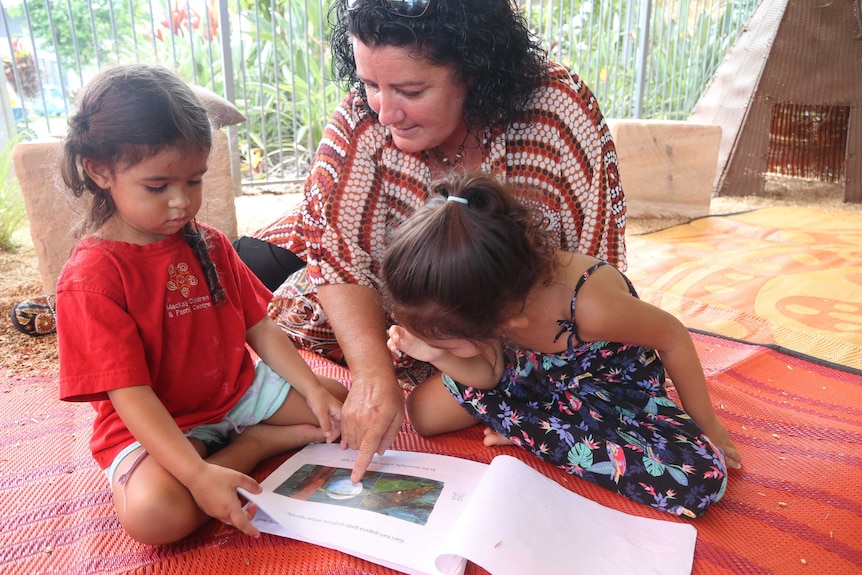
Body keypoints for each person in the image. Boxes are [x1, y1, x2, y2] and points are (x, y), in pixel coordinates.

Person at [243, 0, 628, 483]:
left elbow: (594, 275)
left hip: (486, 328)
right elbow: (336, 254)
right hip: (332, 262)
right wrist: (371, 370)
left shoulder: (558, 114)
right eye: (369, 84)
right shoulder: (362, 119)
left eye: (410, 89)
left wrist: (541, 401)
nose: (385, 111)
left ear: (474, 71)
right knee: (251, 281)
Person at [54, 63, 348, 545]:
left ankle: (244, 440)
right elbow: (130, 395)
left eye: (195, 181)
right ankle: (254, 447)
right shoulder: (92, 278)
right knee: (155, 517)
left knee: (337, 403)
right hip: (160, 426)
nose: (182, 202)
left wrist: (312, 392)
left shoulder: (208, 243)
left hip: (236, 396)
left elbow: (261, 329)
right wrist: (194, 475)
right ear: (99, 170)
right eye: (158, 186)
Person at [382, 172, 741, 518]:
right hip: (532, 375)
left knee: (699, 482)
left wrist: (707, 421)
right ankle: (543, 426)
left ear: (504, 325)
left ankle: (536, 427)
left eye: (449, 344)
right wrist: (435, 353)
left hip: (606, 390)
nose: (442, 350)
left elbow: (674, 336)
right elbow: (490, 374)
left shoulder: (592, 307)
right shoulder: (494, 295)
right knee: (423, 413)